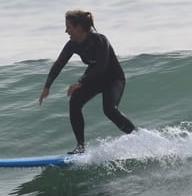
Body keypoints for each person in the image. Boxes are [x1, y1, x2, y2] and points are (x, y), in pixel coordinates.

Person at [39, 10, 136, 154]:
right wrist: (47, 87)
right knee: (75, 102)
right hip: (94, 78)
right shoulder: (72, 44)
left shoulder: (100, 40)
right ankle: (80, 146)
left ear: (78, 27)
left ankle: (137, 137)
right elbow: (59, 64)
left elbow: (101, 67)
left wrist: (81, 81)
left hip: (113, 79)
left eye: (69, 27)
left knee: (109, 110)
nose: (66, 31)